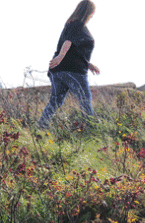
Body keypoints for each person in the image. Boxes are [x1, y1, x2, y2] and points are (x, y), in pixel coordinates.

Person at [38, 0, 100, 129]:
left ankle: (41, 127)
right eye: (92, 12)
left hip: (59, 70)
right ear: (88, 12)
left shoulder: (72, 24)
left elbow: (75, 50)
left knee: (55, 101)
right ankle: (90, 130)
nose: (93, 15)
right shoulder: (78, 24)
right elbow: (68, 42)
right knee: (85, 98)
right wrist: (60, 57)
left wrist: (88, 64)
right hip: (72, 70)